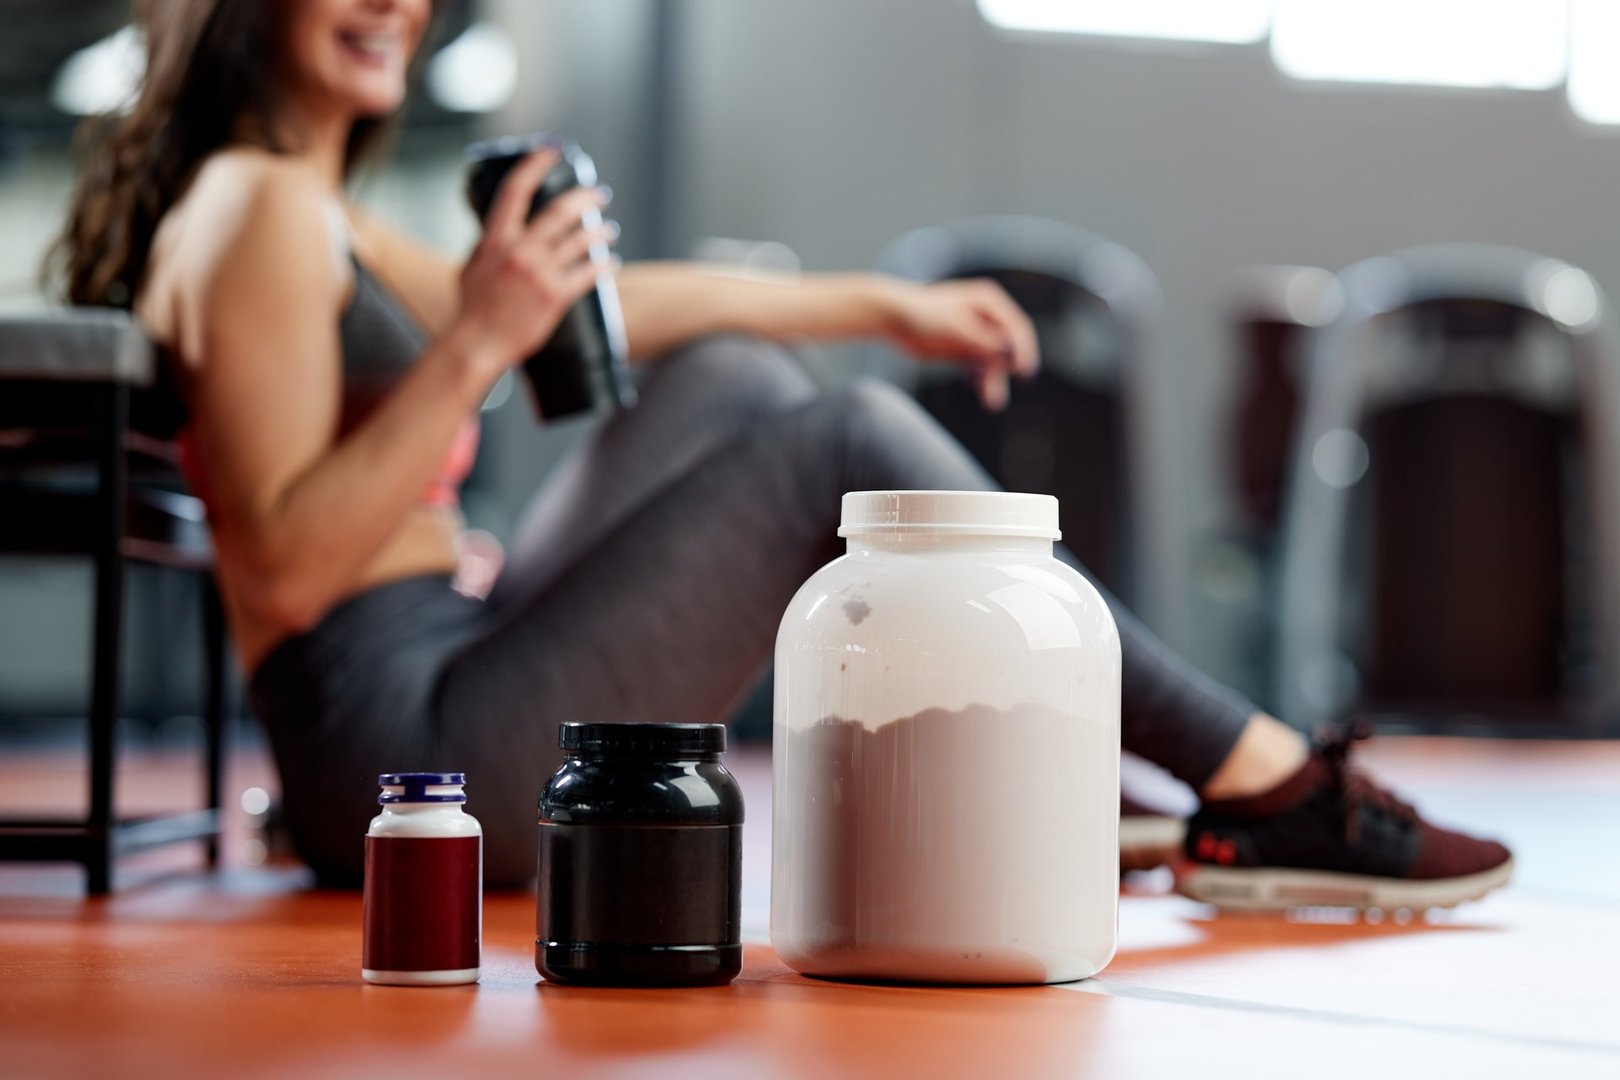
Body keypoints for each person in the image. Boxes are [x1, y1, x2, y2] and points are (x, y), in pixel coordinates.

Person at [54, 0, 1511, 910]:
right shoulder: (248, 208)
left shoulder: (314, 211)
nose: (397, 3)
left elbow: (637, 309)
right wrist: (480, 344)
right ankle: (1263, 786)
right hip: (396, 756)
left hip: (437, 669)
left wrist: (875, 303)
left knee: (749, 376)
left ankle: (1061, 759)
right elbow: (288, 559)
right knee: (843, 443)